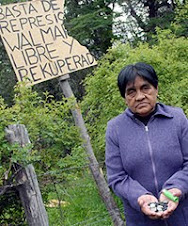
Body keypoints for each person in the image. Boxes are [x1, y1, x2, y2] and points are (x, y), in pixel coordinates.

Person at [105, 62, 188, 226]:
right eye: (131, 91)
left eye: (145, 88)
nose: (140, 96)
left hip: (183, 215)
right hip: (140, 219)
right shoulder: (115, 129)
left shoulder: (178, 119)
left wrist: (175, 189)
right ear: (124, 97)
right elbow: (117, 178)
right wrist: (141, 198)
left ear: (156, 88)